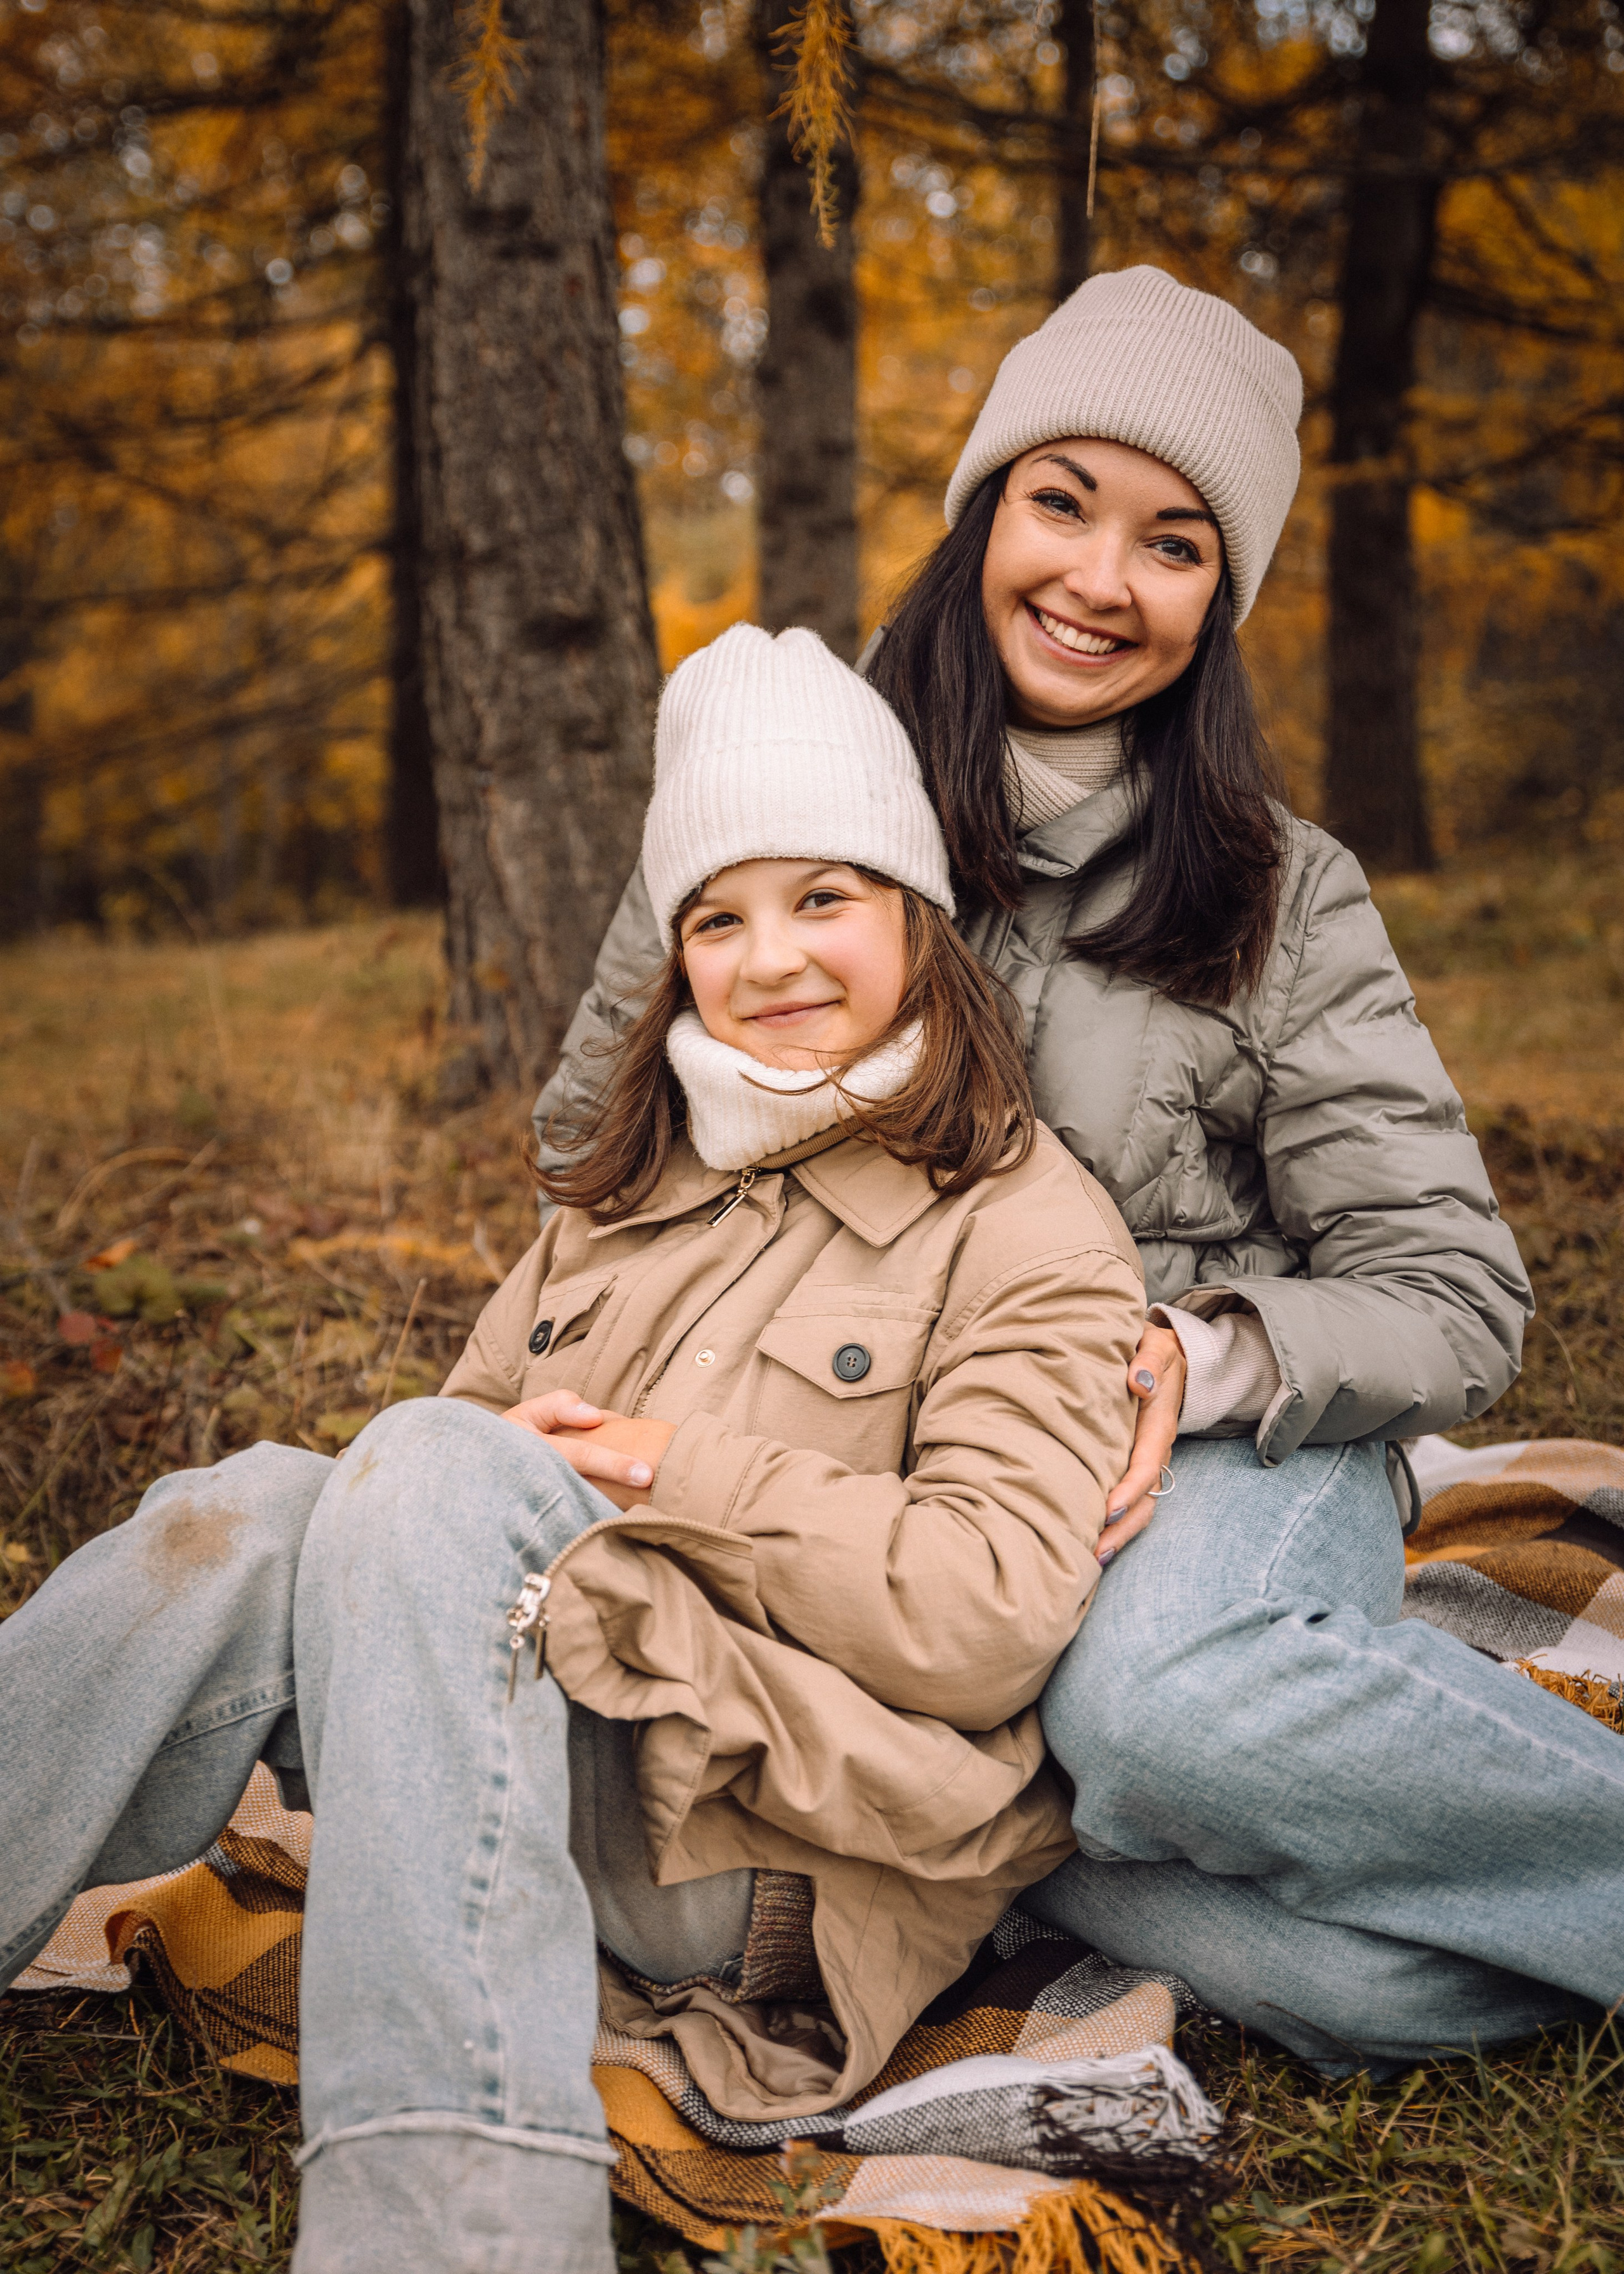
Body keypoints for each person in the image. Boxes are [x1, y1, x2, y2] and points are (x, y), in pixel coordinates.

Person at [534, 267, 1624, 2068]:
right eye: (1061, 502)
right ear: (983, 516)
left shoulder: (1281, 893)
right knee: (1371, 1990)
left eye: (1174, 541)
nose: (1102, 580)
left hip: (1186, 1469)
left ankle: (1163, 1782)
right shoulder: (788, 799)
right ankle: (1036, 1863)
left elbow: (1454, 1297)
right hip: (875, 1466)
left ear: (1224, 592)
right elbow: (596, 1158)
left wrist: (1196, 1355)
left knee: (1152, 1706)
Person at [1, 625, 1149, 2273]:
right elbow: (434, 1495)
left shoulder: (1026, 1223)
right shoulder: (630, 1190)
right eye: (718, 918)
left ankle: (457, 2229)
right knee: (254, 1511)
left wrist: (672, 1470)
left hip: (765, 1837)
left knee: (434, 1481)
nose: (772, 960)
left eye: (823, 898)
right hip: (541, 1716)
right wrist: (470, 1498)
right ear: (676, 952)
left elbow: (991, 1619)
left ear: (918, 917)